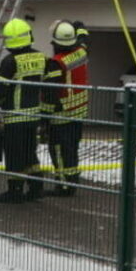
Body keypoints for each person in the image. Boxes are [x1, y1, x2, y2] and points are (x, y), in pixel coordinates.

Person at [0, 18, 52, 203]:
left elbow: (0, 90)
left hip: (15, 117)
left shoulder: (9, 62)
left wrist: (1, 103)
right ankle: (36, 187)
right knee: (29, 153)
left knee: (14, 154)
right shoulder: (41, 57)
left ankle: (15, 191)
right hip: (34, 115)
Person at [45, 20, 90, 196]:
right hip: (79, 112)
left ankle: (63, 185)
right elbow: (84, 38)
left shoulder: (56, 63)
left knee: (58, 149)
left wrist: (44, 116)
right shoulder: (81, 52)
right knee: (72, 148)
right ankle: (71, 182)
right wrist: (79, 28)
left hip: (61, 114)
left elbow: (50, 93)